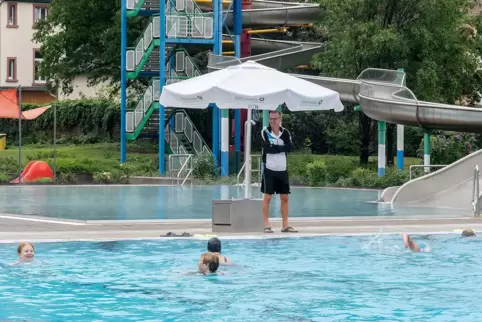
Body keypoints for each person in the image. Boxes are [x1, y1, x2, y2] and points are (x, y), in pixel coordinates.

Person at [260, 110, 297, 233]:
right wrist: (280, 148)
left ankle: (285, 225)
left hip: (282, 169)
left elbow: (289, 148)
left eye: (275, 119)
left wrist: (275, 147)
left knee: (285, 197)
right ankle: (266, 224)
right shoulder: (264, 132)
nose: (272, 121)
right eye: (271, 119)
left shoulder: (285, 132)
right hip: (269, 169)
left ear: (280, 119)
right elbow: (266, 148)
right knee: (267, 197)